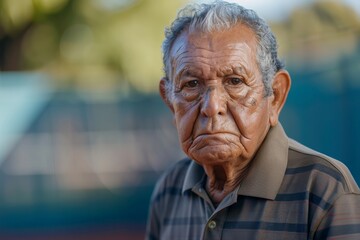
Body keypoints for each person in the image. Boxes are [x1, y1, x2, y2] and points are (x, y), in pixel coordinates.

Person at [145, 1, 360, 239]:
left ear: (275, 95)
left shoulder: (324, 191)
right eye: (191, 84)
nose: (212, 106)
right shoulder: (169, 190)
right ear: (170, 102)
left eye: (235, 81)